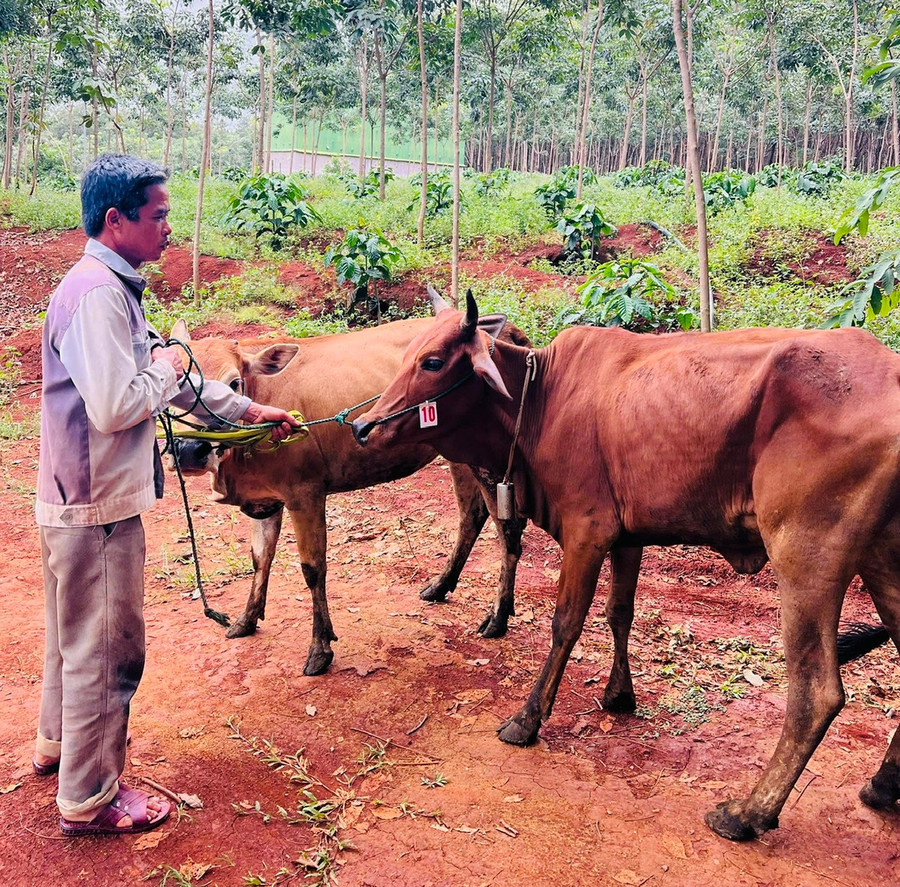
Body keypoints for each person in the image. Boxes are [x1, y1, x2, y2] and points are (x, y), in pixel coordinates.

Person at [33, 153, 300, 837]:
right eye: (158, 217)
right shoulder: (97, 294)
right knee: (107, 649)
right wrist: (169, 360)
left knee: (74, 637)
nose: (169, 230)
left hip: (76, 497)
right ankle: (90, 797)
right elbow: (119, 403)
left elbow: (176, 383)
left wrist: (247, 411)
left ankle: (62, 748)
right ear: (115, 220)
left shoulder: (112, 287)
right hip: (97, 507)